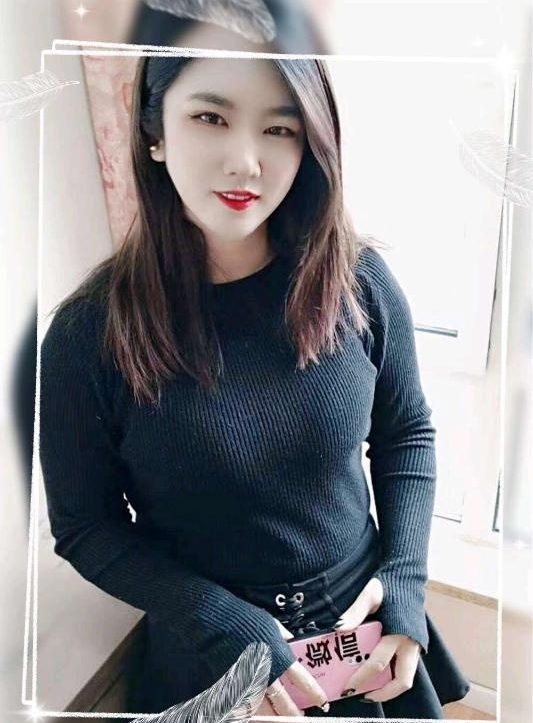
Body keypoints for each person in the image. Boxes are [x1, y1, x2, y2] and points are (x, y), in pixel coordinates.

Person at [39, 43, 472, 719]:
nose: (246, 162)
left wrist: (405, 582)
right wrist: (224, 621)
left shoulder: (358, 282)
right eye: (210, 118)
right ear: (154, 131)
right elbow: (86, 527)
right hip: (211, 655)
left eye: (279, 128)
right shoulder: (87, 335)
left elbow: (405, 432)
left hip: (361, 636)